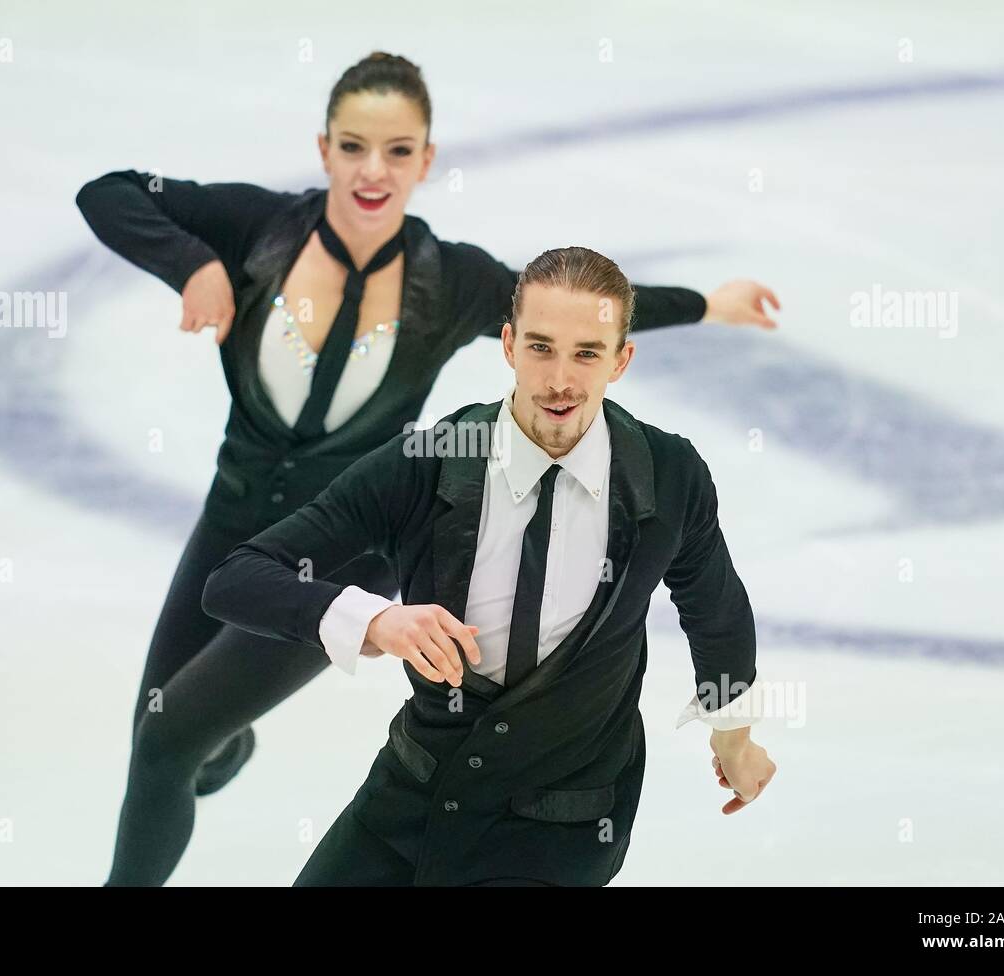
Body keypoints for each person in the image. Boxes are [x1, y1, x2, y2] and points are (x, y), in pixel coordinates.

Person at [76, 51, 781, 886]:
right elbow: (109, 193)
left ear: (425, 161)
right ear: (325, 148)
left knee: (166, 741)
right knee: (168, 737)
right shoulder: (258, 229)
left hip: (351, 548)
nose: (374, 171)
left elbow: (573, 313)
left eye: (399, 150)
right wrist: (190, 264)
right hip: (235, 521)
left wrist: (709, 303)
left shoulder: (452, 282)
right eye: (353, 147)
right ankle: (226, 743)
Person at [201, 245, 777, 886]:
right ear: (507, 346)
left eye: (587, 352)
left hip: (559, 832)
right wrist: (376, 622)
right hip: (413, 799)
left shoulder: (668, 476)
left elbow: (716, 611)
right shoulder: (431, 459)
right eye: (540, 348)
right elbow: (239, 578)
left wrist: (733, 737)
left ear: (621, 359)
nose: (560, 379)